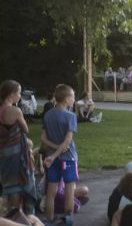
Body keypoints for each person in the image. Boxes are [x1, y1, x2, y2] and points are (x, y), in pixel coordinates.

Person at [41, 84, 78, 223]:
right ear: (66, 99)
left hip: (52, 158)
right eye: (73, 97)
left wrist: (53, 151)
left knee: (51, 192)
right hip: (67, 158)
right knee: (70, 192)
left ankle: (48, 221)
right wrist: (56, 153)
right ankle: (68, 222)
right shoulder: (71, 116)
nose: (74, 99)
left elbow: (43, 139)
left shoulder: (48, 115)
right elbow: (67, 141)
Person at [0, 80, 37, 216]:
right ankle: (18, 219)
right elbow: (25, 129)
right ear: (12, 94)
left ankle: (6, 218)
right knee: (17, 188)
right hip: (16, 156)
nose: (20, 96)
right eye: (19, 93)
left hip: (3, 155)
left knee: (7, 188)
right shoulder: (15, 111)